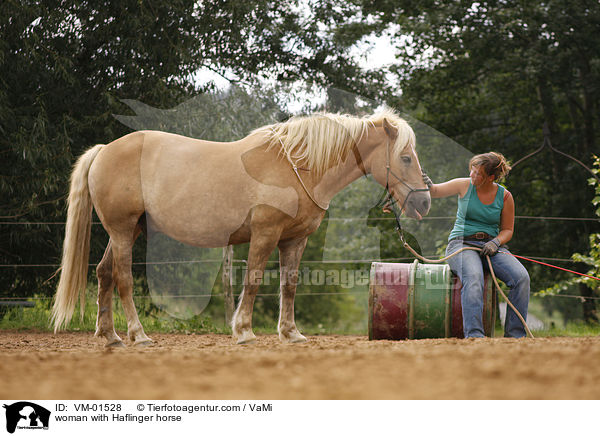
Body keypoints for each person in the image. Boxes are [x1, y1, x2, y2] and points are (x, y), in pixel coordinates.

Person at [426, 152, 530, 338]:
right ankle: (474, 335)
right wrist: (423, 180)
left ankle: (515, 336)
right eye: (471, 171)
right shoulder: (464, 185)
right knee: (474, 277)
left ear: (491, 177)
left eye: (478, 173)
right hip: (461, 244)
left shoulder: (505, 197)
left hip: (491, 246)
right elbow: (434, 191)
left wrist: (496, 242)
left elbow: (508, 230)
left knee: (522, 278)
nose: (472, 176)